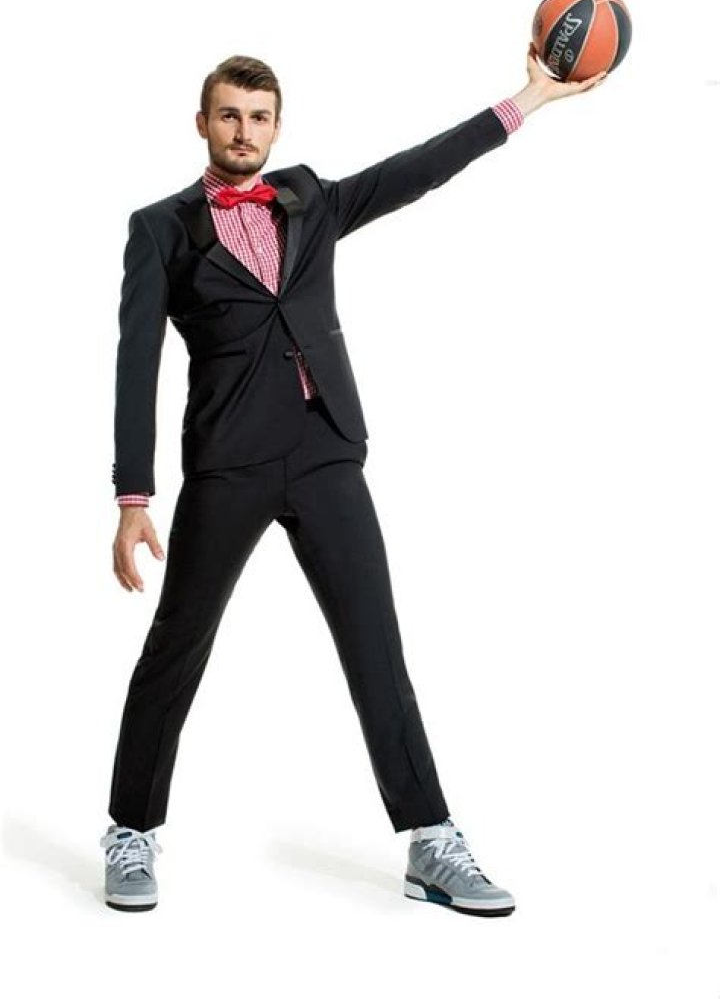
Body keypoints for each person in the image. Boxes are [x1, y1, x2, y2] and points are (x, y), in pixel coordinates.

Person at [100, 46, 608, 914]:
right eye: (229, 115)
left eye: (259, 117)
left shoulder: (309, 198)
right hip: (229, 463)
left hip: (326, 450)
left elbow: (417, 170)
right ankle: (130, 831)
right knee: (177, 645)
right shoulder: (159, 228)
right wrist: (132, 497)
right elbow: (135, 361)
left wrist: (530, 98)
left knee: (376, 645)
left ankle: (431, 840)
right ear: (203, 123)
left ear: (276, 126)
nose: (244, 131)